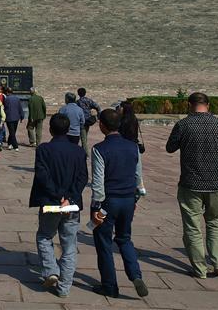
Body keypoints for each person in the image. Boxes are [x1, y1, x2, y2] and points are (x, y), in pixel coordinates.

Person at [166, 92, 218, 279]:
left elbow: (170, 147)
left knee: (192, 227)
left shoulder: (183, 125)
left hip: (191, 183)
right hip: (216, 182)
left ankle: (200, 269)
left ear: (189, 105)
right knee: (216, 222)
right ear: (208, 105)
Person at [89, 109, 148, 299]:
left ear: (102, 125)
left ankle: (109, 285)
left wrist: (96, 207)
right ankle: (135, 275)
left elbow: (98, 183)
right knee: (124, 238)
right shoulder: (133, 147)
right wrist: (136, 197)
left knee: (103, 241)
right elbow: (138, 177)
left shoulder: (99, 149)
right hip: (128, 200)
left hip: (108, 203)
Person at [29, 114, 88, 299]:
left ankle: (51, 270)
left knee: (45, 236)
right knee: (69, 245)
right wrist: (69, 197)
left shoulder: (44, 149)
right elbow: (82, 178)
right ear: (69, 129)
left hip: (51, 203)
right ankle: (64, 288)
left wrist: (57, 195)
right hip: (71, 205)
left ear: (51, 129)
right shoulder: (78, 152)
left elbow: (42, 175)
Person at [76, 88, 100, 156]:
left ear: (78, 93)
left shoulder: (77, 102)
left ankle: (85, 154)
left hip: (81, 122)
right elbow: (97, 107)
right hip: (88, 121)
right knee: (84, 136)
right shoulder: (89, 100)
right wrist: (98, 116)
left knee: (83, 138)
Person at [2, 87, 23, 151]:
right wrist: (22, 116)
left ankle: (15, 146)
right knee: (13, 132)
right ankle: (10, 144)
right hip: (16, 117)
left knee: (12, 132)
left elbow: (5, 108)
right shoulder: (17, 98)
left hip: (9, 118)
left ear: (8, 92)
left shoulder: (6, 99)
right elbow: (20, 108)